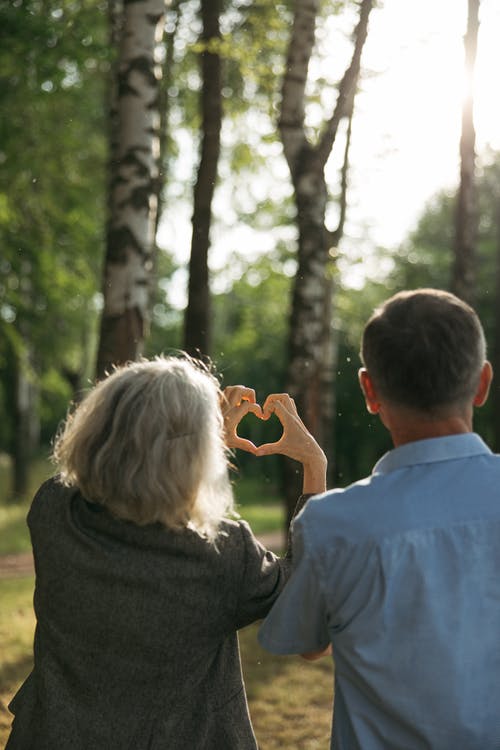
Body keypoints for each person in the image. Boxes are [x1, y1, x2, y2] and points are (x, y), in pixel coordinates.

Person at [5, 354, 326, 750]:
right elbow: (314, 636)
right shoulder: (224, 552)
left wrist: (197, 442)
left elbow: (121, 479)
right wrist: (314, 467)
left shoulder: (54, 509)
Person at [258, 288, 500, 749]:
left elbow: (311, 643)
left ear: (369, 390)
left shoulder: (334, 526)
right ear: (483, 382)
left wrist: (314, 471)